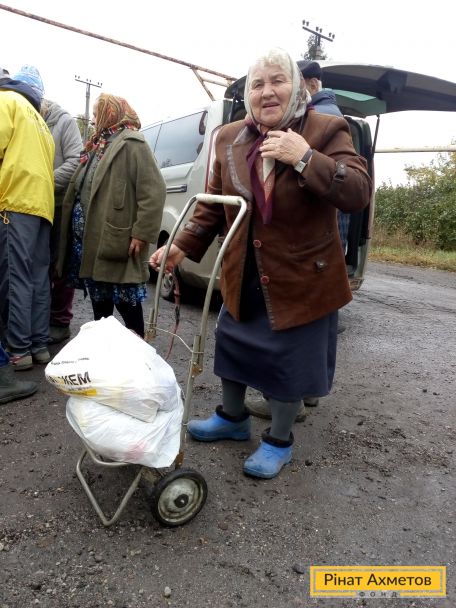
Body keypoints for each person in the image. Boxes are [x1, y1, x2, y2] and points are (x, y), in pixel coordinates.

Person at [150, 47, 372, 479]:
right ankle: (232, 419)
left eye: (277, 81)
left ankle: (279, 440)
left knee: (288, 364)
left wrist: (304, 156)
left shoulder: (326, 128)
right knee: (233, 346)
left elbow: (357, 191)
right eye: (257, 84)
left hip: (301, 275)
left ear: (298, 88)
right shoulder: (229, 136)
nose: (267, 92)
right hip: (244, 265)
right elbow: (214, 204)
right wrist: (180, 247)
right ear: (248, 94)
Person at [57, 93, 166, 338]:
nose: (93, 119)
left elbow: (153, 191)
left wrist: (141, 233)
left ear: (111, 113)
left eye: (97, 114)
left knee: (127, 304)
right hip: (93, 242)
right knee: (100, 304)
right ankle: (104, 352)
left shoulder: (132, 143)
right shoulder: (98, 145)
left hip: (118, 241)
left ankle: (138, 353)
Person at [0, 65, 55, 371]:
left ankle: (18, 350)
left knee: (16, 276)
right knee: (37, 277)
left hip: (16, 201)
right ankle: (38, 345)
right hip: (42, 206)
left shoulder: (5, 101)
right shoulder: (40, 122)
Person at [40, 98, 82, 344]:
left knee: (60, 263)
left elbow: (75, 160)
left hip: (59, 202)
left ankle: (60, 320)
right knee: (38, 264)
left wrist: (42, 181)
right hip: (36, 202)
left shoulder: (64, 121)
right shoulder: (31, 119)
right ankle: (41, 319)